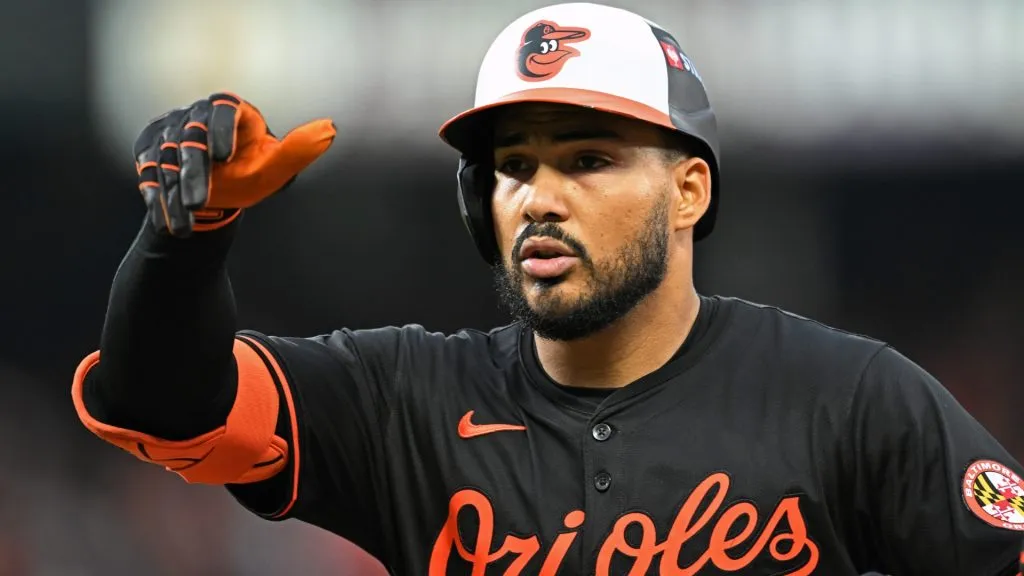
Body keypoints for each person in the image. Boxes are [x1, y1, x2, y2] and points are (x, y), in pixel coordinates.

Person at [71, 3, 1024, 575]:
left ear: (689, 190)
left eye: (590, 159)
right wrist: (181, 243)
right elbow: (160, 398)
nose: (539, 197)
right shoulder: (405, 401)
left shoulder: (848, 397)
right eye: (513, 165)